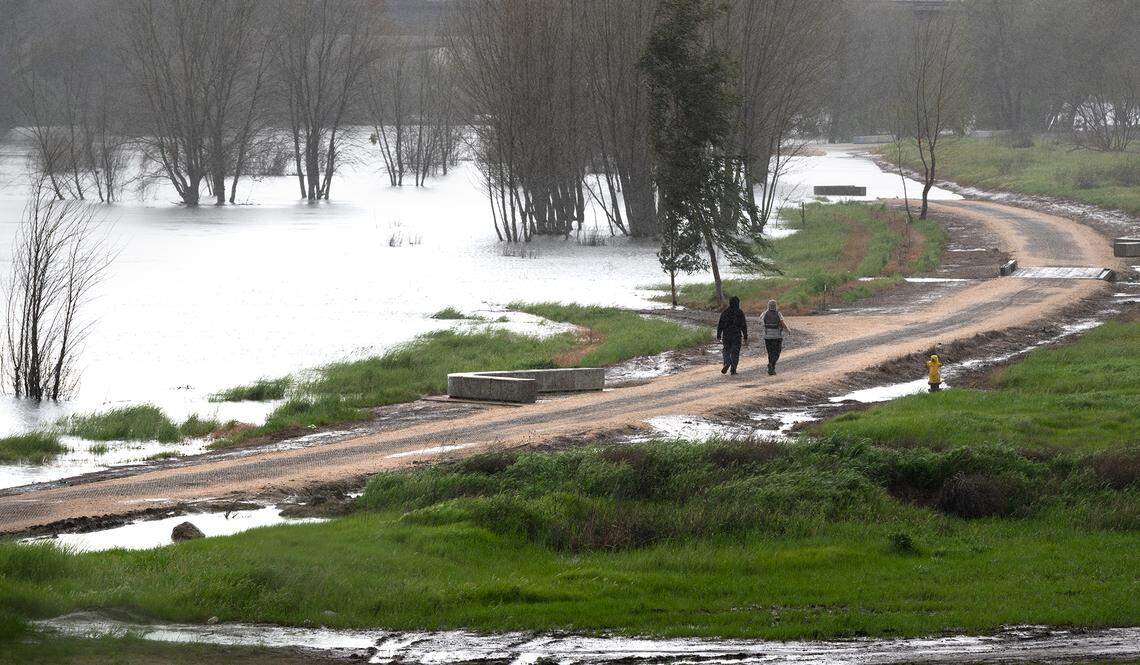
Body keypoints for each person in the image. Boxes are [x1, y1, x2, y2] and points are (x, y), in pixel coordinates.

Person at [716, 296, 748, 375]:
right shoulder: (740, 312)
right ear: (738, 303)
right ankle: (733, 370)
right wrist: (745, 336)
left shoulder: (725, 312)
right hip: (736, 335)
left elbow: (720, 324)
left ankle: (727, 362)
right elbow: (743, 325)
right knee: (735, 352)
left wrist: (718, 335)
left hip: (726, 335)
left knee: (726, 350)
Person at [762, 299, 789, 375]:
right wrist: (787, 330)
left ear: (768, 306)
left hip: (767, 337)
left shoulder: (764, 313)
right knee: (777, 352)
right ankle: (771, 365)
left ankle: (771, 368)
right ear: (775, 306)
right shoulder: (778, 314)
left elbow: (761, 322)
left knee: (770, 353)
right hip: (777, 336)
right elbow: (782, 323)